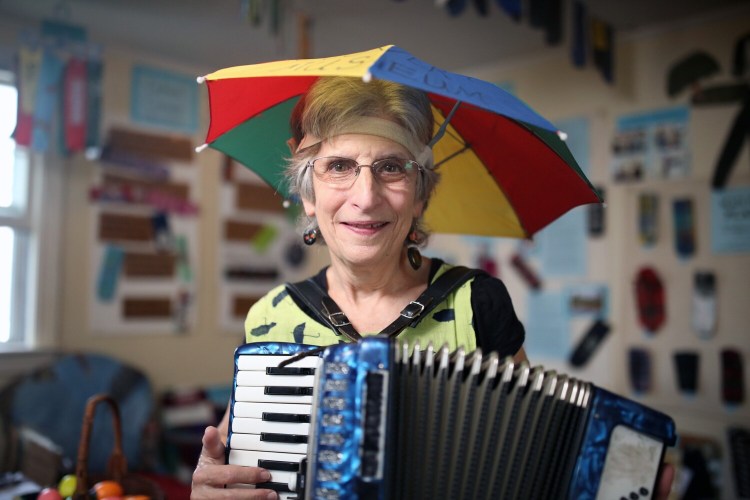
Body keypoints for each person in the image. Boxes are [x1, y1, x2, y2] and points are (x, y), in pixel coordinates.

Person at [190, 76, 672, 499]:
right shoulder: (272, 316)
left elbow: (539, 461)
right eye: (338, 166)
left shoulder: (476, 303)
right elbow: (241, 479)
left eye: (392, 167)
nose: (366, 196)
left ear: (420, 195)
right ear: (307, 193)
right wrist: (210, 487)